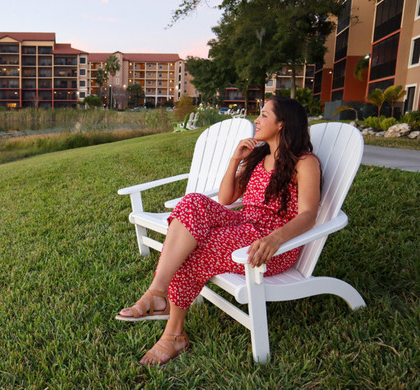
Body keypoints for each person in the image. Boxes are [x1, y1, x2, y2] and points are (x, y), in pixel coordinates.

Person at [115, 96, 322, 366]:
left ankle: (174, 334)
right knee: (191, 202)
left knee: (199, 245)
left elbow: (308, 215)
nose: (256, 121)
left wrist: (275, 238)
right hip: (243, 224)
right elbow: (225, 199)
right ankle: (157, 291)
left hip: (270, 244)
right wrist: (235, 159)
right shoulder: (260, 157)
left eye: (263, 115)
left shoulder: (304, 162)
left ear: (282, 124)